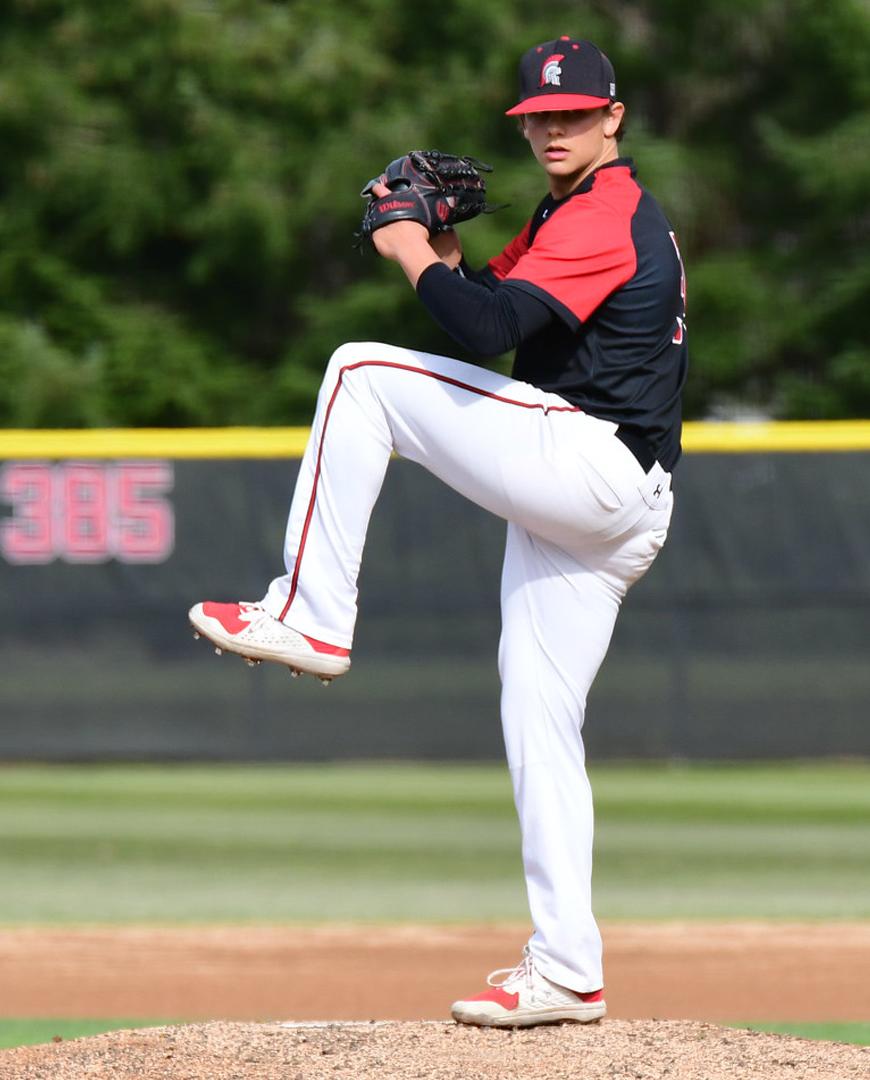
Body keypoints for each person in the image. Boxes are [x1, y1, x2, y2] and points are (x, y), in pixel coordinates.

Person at [188, 35, 687, 1026]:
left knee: (360, 376)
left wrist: (411, 248)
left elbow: (484, 337)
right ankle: (569, 968)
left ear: (613, 119)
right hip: (609, 500)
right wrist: (441, 256)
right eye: (539, 119)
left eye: (574, 114)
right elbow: (488, 305)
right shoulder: (571, 212)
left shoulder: (607, 209)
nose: (553, 130)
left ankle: (313, 614)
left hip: (591, 464)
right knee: (538, 723)